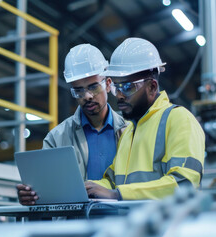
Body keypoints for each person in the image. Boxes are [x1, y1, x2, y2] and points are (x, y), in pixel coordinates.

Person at [85, 38, 205, 200]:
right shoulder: (128, 131)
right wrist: (85, 188)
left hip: (168, 224)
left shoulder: (179, 119)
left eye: (127, 87)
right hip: (134, 223)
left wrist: (117, 195)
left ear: (152, 87)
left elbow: (184, 183)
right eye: (116, 87)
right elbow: (113, 182)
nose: (119, 95)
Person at [17, 44, 127, 205]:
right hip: (75, 224)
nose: (87, 96)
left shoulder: (130, 130)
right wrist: (30, 196)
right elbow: (46, 189)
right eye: (79, 91)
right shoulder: (56, 138)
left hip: (122, 223)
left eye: (93, 87)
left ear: (108, 83)